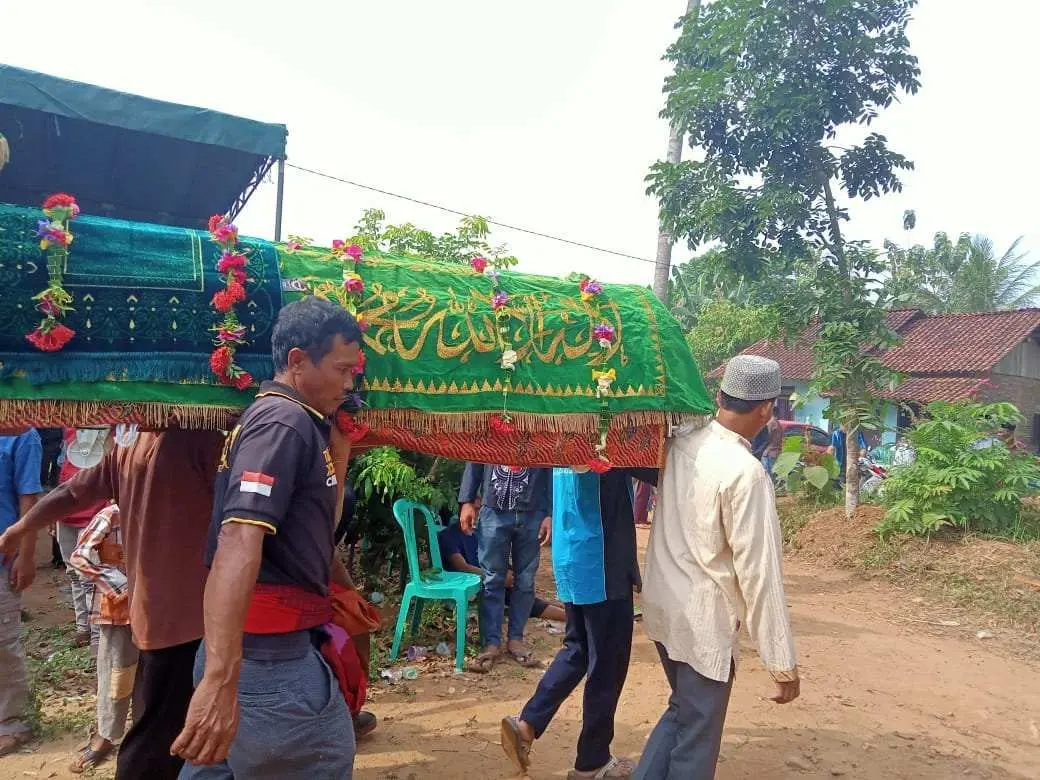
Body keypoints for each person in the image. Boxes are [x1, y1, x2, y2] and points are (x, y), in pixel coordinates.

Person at [174, 297, 363, 778]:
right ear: (297, 361)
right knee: (323, 759)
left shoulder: (300, 425)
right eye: (341, 369)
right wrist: (221, 679)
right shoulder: (283, 424)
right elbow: (238, 540)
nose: (349, 383)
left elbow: (319, 525)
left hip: (260, 660)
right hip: (269, 668)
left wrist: (339, 446)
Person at [0, 427, 224, 780]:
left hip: (167, 615)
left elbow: (72, 493)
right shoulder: (186, 440)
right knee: (162, 734)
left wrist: (22, 528)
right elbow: (73, 491)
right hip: (183, 618)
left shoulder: (151, 442)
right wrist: (21, 528)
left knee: (160, 724)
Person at [635, 355, 800, 780]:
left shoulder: (681, 442)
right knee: (697, 739)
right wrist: (781, 661)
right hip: (702, 625)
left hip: (663, 610)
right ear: (766, 409)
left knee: (683, 713)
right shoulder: (745, 473)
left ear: (721, 396)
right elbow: (759, 574)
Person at [500, 466, 656, 780]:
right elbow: (658, 470)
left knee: (580, 649)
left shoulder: (568, 433)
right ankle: (592, 762)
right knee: (607, 663)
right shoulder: (605, 433)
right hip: (601, 562)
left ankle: (527, 723)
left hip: (573, 555)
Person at [458, 463, 553, 672]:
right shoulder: (489, 429)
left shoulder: (540, 429)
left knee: (526, 579)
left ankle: (515, 639)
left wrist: (550, 512)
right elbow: (476, 457)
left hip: (533, 511)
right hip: (493, 510)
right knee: (492, 578)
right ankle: (491, 642)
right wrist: (467, 501)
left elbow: (550, 463)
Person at [67, 504, 138, 774]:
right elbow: (81, 556)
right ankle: (107, 735)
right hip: (119, 611)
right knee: (116, 676)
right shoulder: (113, 514)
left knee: (151, 674)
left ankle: (144, 730)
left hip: (157, 610)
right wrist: (124, 586)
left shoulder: (164, 508)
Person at [0, 429, 42, 757]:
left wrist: (27, 556)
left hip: (3, 556)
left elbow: (29, 499)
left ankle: (12, 722)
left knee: (3, 642)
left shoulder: (22, 434)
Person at [438, 518, 567, 623]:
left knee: (520, 578)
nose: (477, 513)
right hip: (472, 581)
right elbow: (462, 567)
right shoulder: (448, 536)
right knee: (518, 597)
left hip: (486, 574)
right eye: (474, 508)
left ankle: (559, 608)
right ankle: (569, 618)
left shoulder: (476, 532)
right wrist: (497, 576)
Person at [56, 428, 111, 651]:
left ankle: (97, 636)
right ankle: (82, 628)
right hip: (66, 511)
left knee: (90, 577)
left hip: (94, 512)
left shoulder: (111, 431)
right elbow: (63, 466)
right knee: (73, 573)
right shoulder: (69, 429)